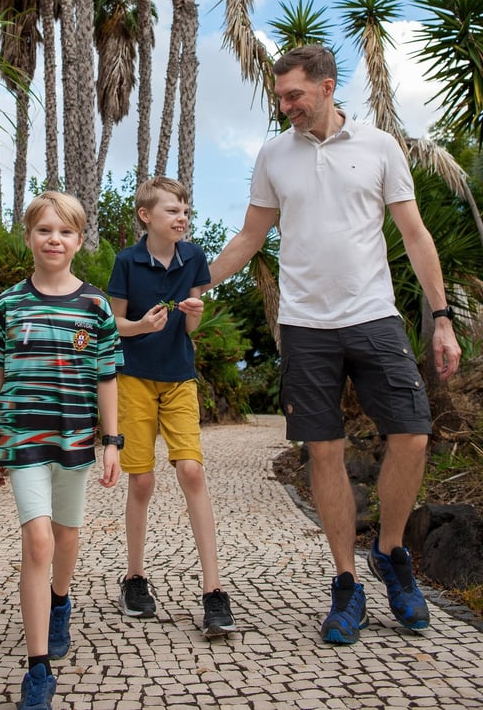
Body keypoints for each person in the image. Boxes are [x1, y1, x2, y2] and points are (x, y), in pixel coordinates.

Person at [208, 45, 461, 645]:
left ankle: (391, 552)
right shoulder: (274, 155)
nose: (286, 107)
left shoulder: (379, 147)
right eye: (280, 98)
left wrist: (443, 317)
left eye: (294, 95)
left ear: (326, 87)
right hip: (304, 325)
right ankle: (346, 583)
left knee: (412, 432)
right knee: (323, 452)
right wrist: (197, 282)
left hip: (373, 315)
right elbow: (249, 236)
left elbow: (415, 233)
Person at [0, 192, 123, 710]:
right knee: (37, 540)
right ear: (29, 237)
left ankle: (60, 601)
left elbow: (106, 376)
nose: (54, 240)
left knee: (66, 535)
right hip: (23, 437)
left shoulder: (96, 307)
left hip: (76, 438)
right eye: (44, 230)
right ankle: (38, 670)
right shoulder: (10, 303)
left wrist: (112, 441)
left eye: (64, 232)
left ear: (79, 240)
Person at [107, 176, 237, 638]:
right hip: (135, 381)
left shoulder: (195, 258)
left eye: (185, 209)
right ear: (146, 217)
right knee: (141, 481)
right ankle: (135, 578)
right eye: (172, 210)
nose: (182, 216)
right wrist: (140, 326)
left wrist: (196, 318)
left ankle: (214, 590)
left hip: (180, 378)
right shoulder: (127, 261)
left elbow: (192, 329)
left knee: (192, 472)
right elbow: (113, 326)